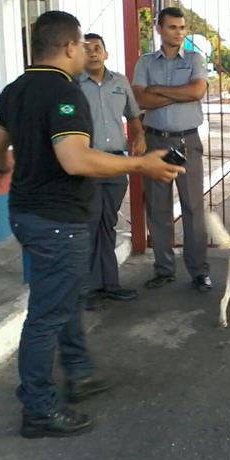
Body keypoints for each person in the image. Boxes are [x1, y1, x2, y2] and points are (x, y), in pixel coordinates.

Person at [0, 10, 184, 438]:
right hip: (57, 221)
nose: (86, 53)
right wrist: (140, 165)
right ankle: (38, 408)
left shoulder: (13, 90)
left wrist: (2, 166)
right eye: (82, 46)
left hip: (26, 213)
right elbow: (75, 159)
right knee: (47, 315)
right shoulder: (65, 93)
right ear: (69, 47)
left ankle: (78, 370)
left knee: (66, 297)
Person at [132, 7, 212, 293]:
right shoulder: (145, 62)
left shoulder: (194, 59)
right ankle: (164, 269)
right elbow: (140, 99)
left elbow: (196, 92)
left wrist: (158, 90)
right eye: (172, 27)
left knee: (193, 207)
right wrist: (179, 93)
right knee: (158, 208)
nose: (178, 32)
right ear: (159, 29)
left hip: (187, 141)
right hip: (155, 141)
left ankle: (199, 271)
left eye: (181, 27)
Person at [77, 33, 145, 311]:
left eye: (98, 48)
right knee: (90, 223)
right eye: (87, 49)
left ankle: (110, 284)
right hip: (88, 162)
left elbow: (133, 115)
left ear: (106, 53)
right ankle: (88, 288)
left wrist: (139, 136)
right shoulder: (73, 85)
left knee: (108, 223)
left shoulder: (120, 82)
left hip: (116, 163)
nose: (93, 53)